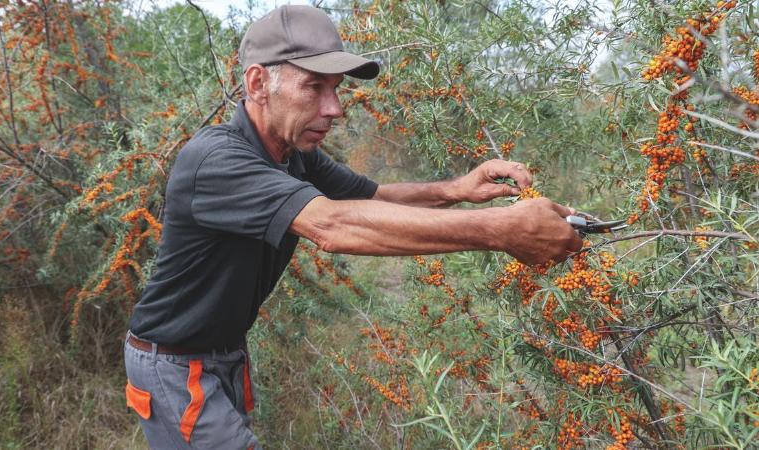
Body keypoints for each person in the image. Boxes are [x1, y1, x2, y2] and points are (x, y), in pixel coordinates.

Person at [123, 5, 582, 449]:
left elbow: (370, 197)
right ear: (259, 83)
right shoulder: (216, 160)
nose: (335, 108)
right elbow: (332, 225)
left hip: (223, 351)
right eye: (315, 88)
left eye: (337, 89)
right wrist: (499, 230)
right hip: (174, 363)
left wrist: (457, 188)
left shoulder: (293, 154)